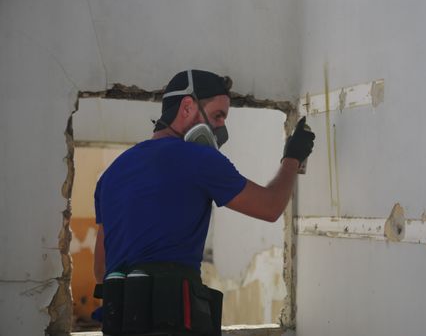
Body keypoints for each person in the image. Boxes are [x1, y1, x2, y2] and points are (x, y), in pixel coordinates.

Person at [92, 69, 315, 335]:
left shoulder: (110, 175)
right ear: (187, 107)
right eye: (218, 115)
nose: (221, 127)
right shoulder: (199, 158)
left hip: (120, 324)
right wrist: (292, 158)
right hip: (174, 322)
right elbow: (270, 207)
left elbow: (100, 269)